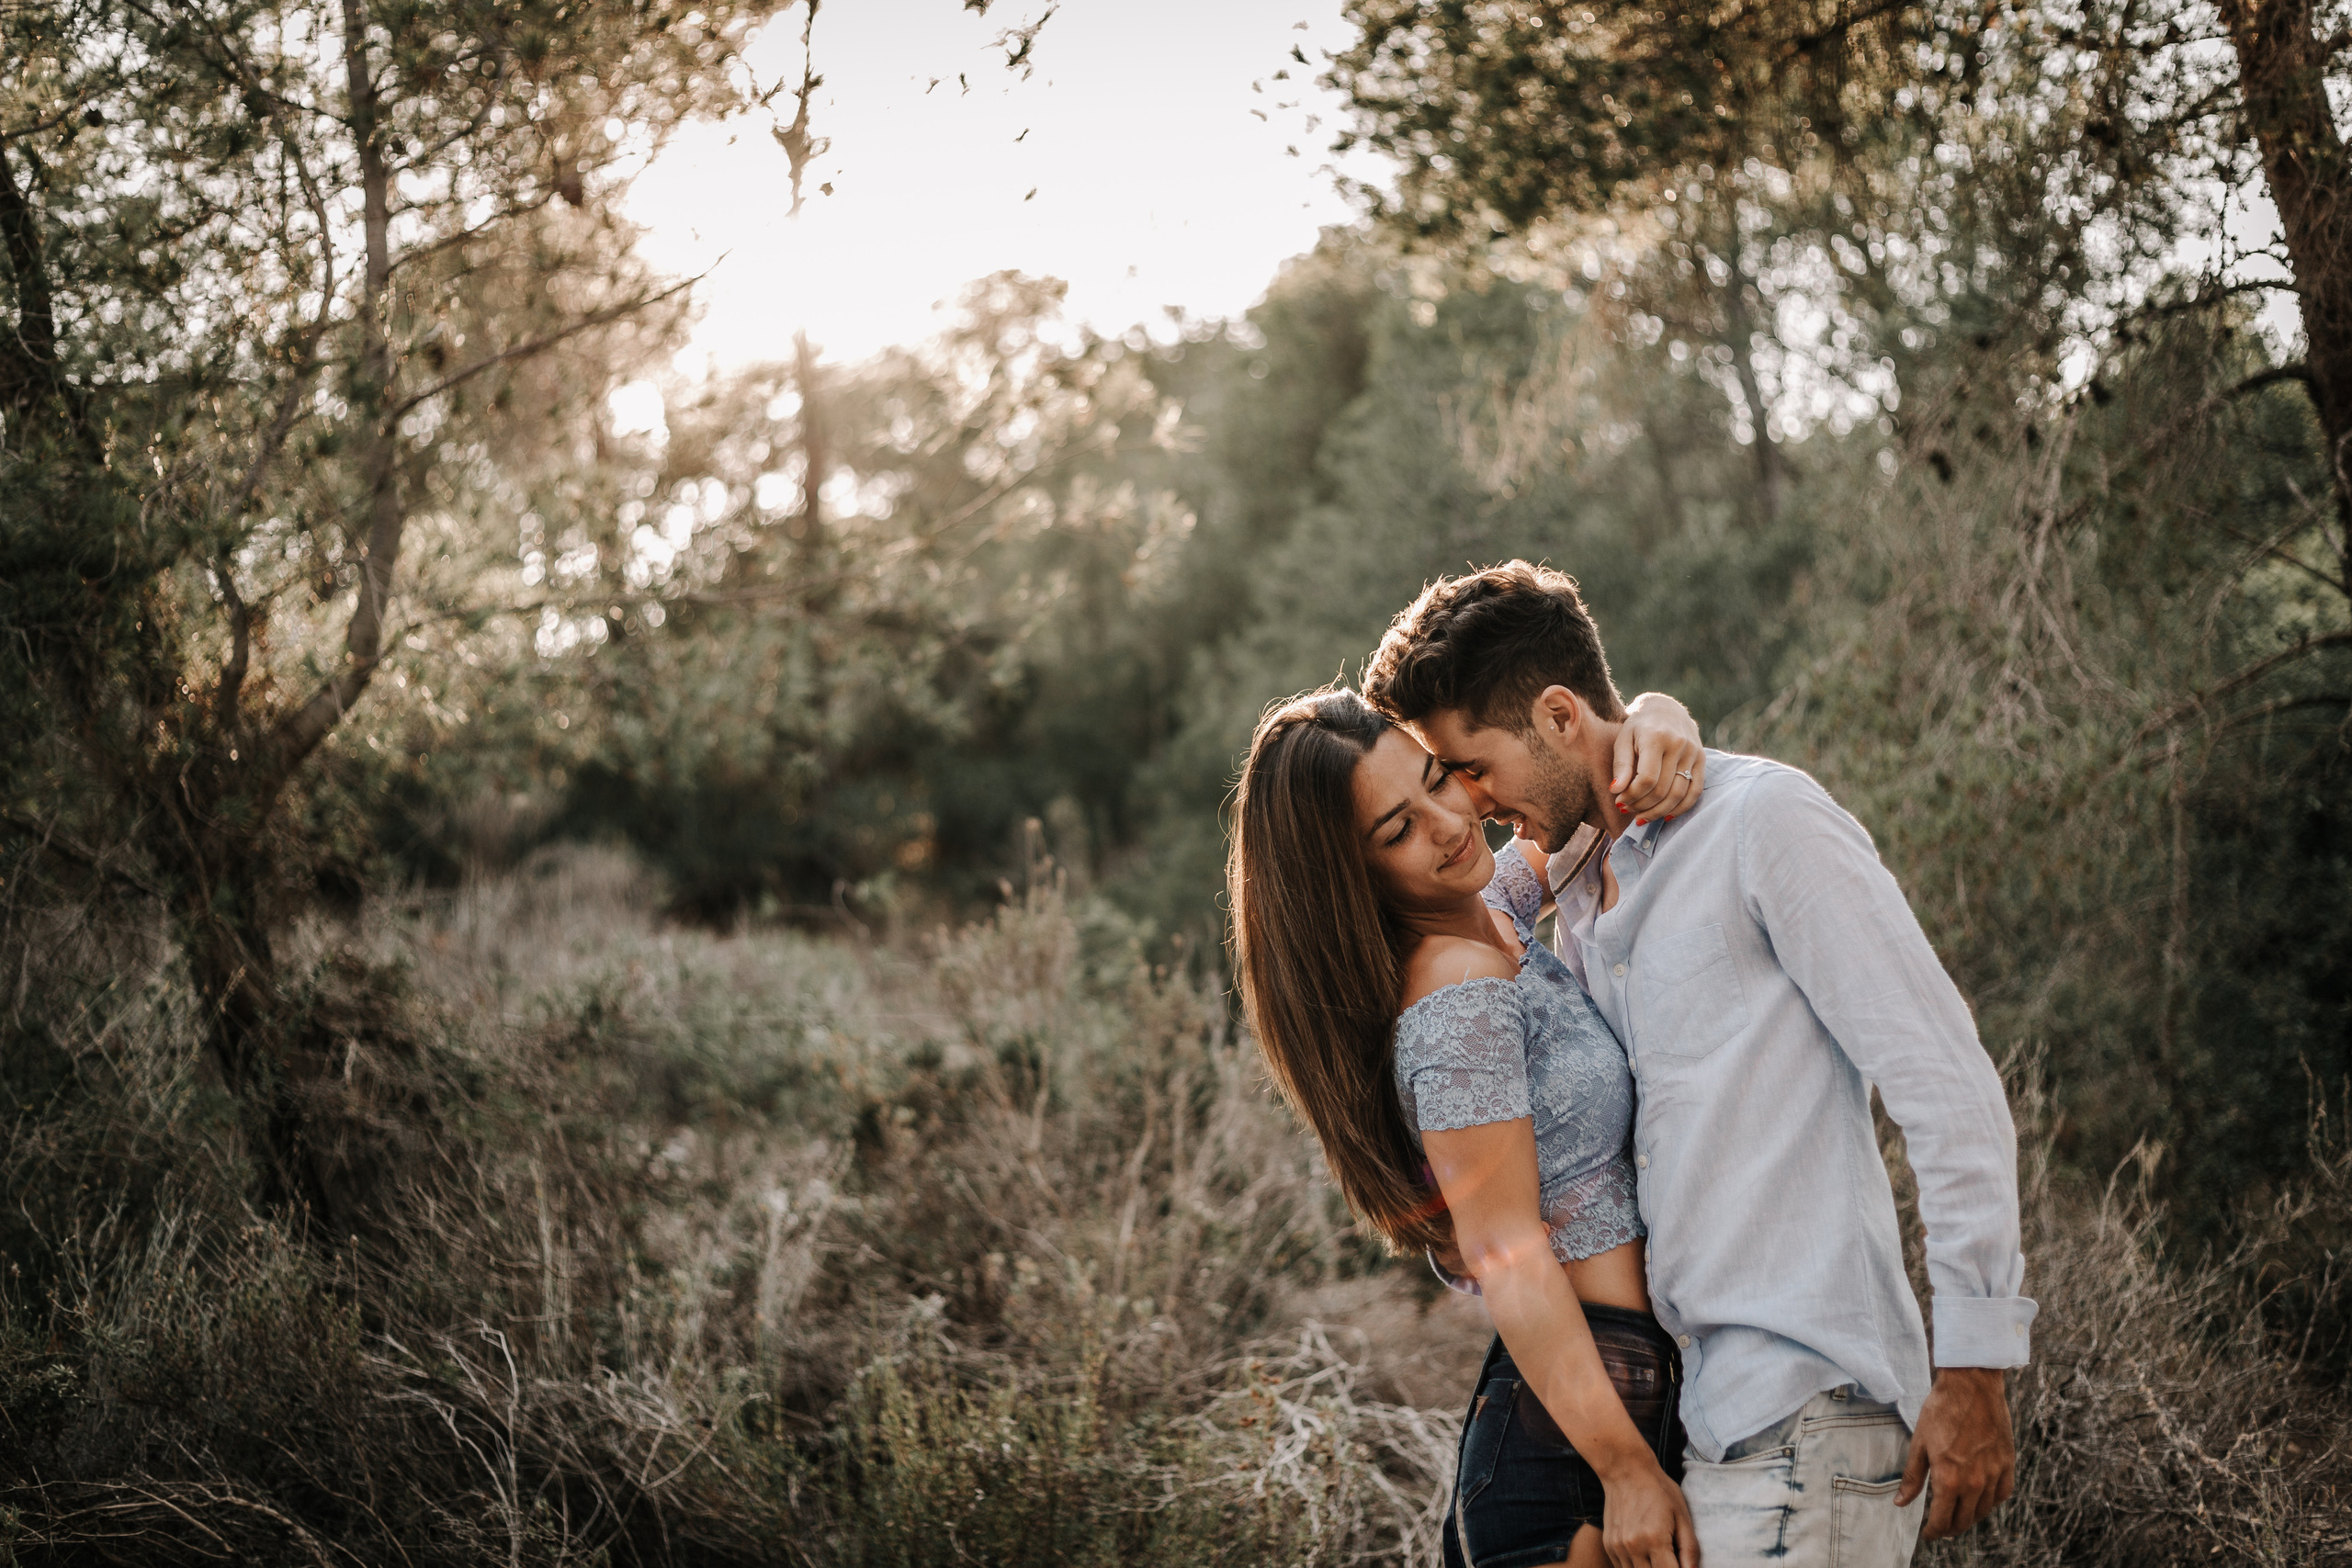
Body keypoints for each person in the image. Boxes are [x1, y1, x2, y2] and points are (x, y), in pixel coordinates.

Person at [1360, 560, 2035, 1568]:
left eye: (1469, 769)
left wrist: (1976, 1365)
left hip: (1811, 1409)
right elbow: (1439, 903)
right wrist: (1651, 716)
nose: (1469, 807)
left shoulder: (1762, 823)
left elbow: (1944, 1082)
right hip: (1704, 1433)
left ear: (1554, 715)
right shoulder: (1574, 885)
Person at [1229, 684, 1709, 1568]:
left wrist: (1657, 709)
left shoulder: (1492, 916)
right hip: (1573, 1463)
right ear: (1353, 877)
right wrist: (1627, 1471)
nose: (1449, 823)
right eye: (1396, 830)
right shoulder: (1453, 990)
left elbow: (1582, 791)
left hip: (1615, 1409)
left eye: (1438, 779)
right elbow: (1507, 1253)